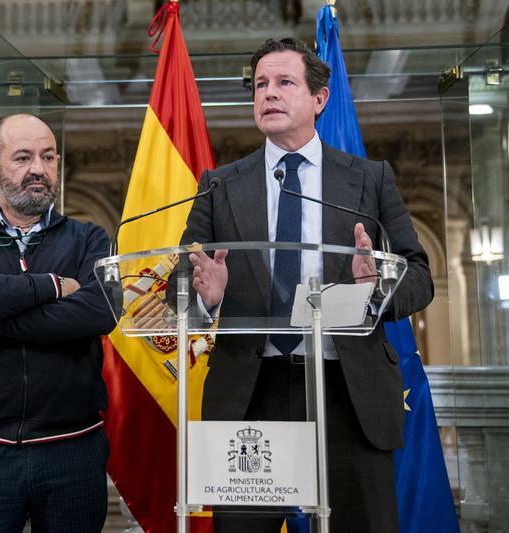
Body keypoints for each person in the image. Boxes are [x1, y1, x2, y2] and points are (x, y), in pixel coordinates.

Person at [181, 38, 433, 532]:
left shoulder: (370, 179)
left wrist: (377, 286)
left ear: (319, 98)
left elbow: (419, 275)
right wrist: (203, 297)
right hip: (251, 393)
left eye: (284, 82)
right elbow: (182, 282)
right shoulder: (219, 185)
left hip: (348, 391)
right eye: (260, 85)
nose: (268, 93)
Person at [0, 113, 116, 532]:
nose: (39, 169)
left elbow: (101, 310)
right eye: (23, 157)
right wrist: (51, 285)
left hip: (73, 451)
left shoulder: (91, 240)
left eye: (48, 156)